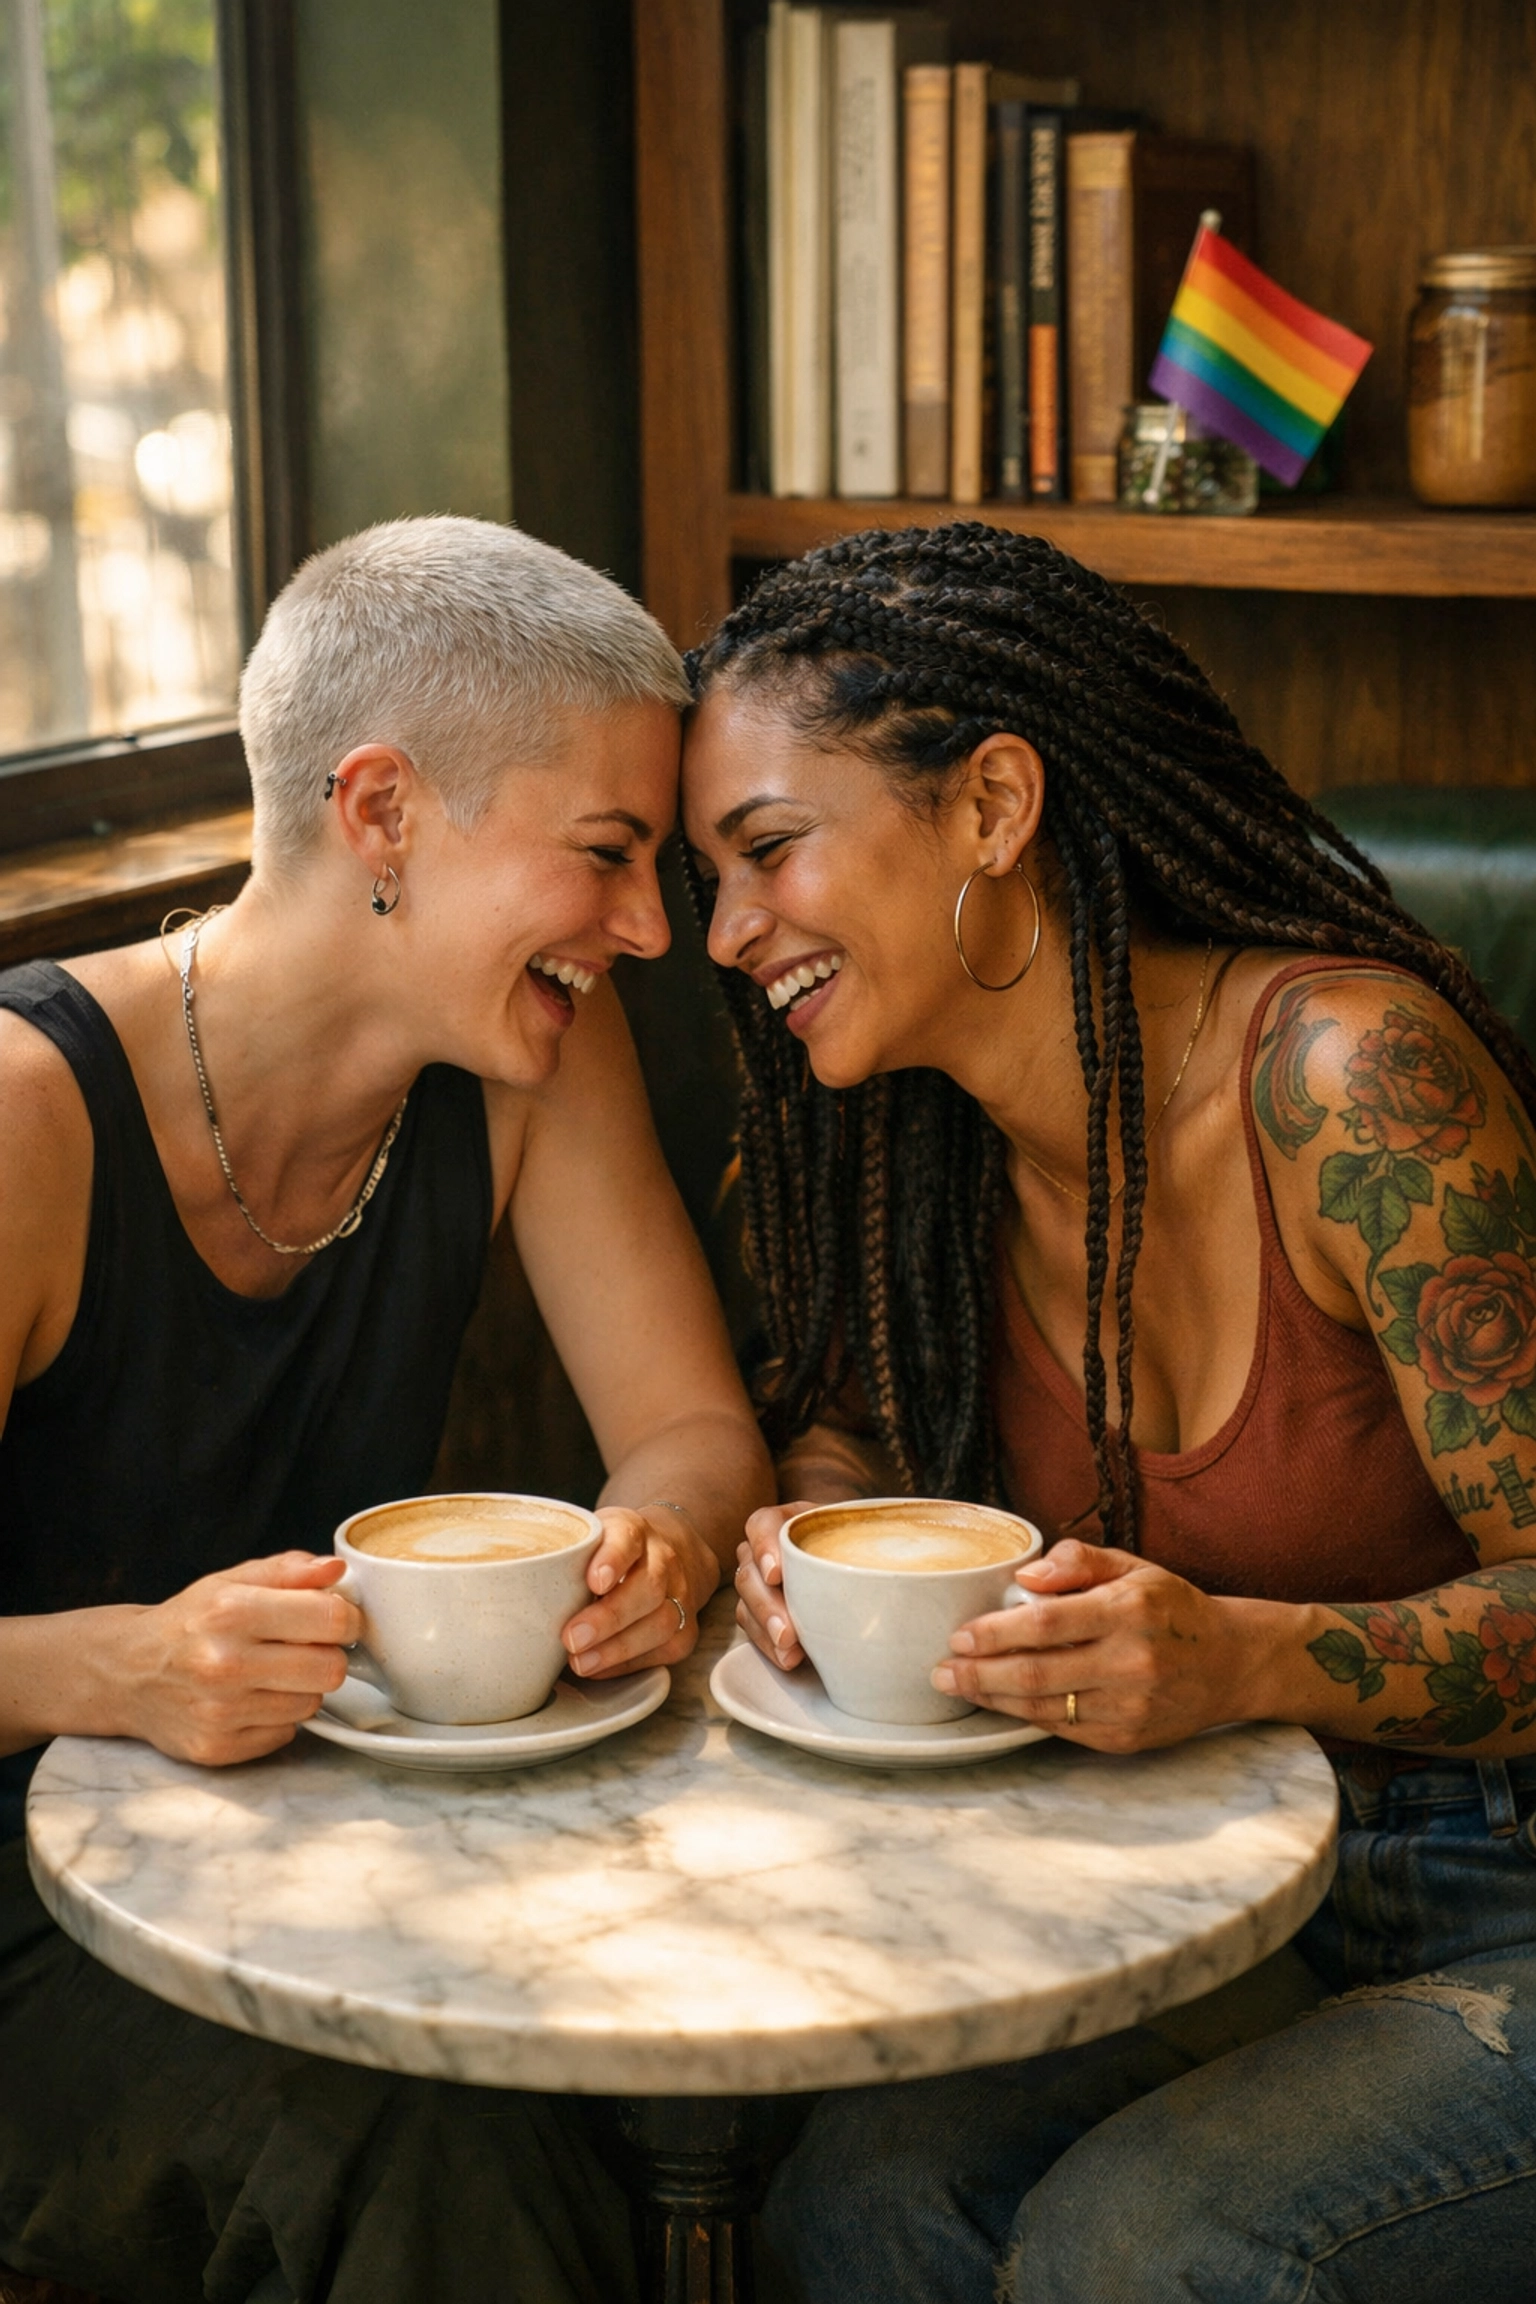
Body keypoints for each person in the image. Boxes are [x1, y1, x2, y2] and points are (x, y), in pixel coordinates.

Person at [681, 521, 1536, 2303]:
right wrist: (797, 1532)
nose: (722, 932)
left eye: (767, 851)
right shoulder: (910, 1141)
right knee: (863, 2192)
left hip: (1501, 1881)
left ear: (994, 805)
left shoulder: (1349, 1083)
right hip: (1219, 1874)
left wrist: (1241, 1658)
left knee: (1141, 2249)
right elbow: (846, 1425)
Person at [0, 515, 772, 2304]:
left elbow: (694, 1433)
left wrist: (663, 1536)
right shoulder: (30, 1128)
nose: (655, 928)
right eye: (608, 854)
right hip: (29, 1928)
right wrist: (111, 1671)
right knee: (442, 2149)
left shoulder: (520, 1064)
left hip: (306, 1869)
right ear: (381, 815)